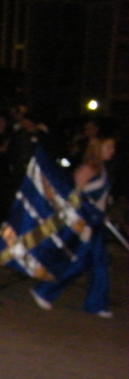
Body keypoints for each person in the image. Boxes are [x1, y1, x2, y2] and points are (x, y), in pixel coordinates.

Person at [30, 136, 116, 317]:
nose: (112, 151)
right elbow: (73, 196)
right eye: (108, 147)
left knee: (98, 264)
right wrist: (81, 223)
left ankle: (97, 304)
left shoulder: (102, 169)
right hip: (86, 222)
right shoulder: (88, 169)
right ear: (98, 148)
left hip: (96, 221)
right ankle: (44, 291)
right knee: (78, 262)